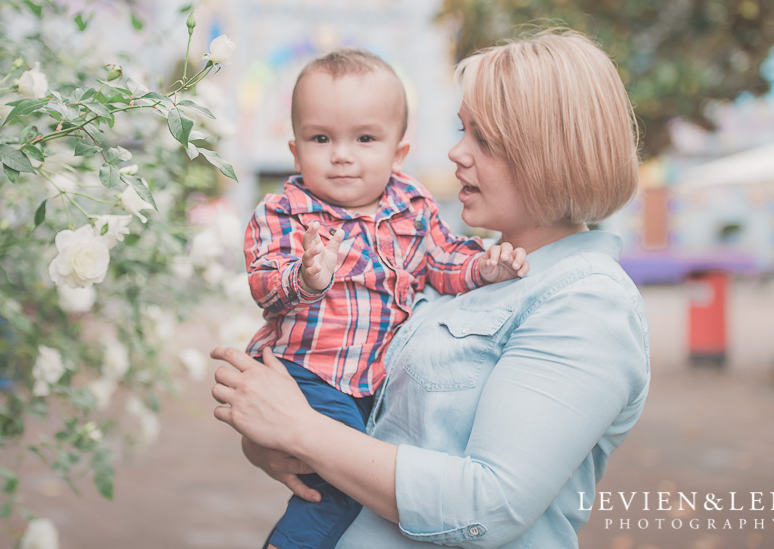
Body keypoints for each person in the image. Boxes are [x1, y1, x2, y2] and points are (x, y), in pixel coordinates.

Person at [212, 28, 650, 548]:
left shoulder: (586, 301)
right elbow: (375, 420)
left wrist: (301, 431)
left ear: (548, 152)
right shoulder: (457, 265)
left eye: (482, 139)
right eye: (461, 130)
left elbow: (489, 505)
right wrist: (275, 439)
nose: (455, 153)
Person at [242, 47, 529, 549]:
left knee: (350, 475)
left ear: (398, 153)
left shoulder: (411, 205)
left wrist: (483, 268)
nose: (342, 154)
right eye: (321, 138)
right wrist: (306, 277)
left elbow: (443, 260)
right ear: (295, 150)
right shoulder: (285, 211)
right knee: (337, 487)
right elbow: (264, 283)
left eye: (365, 138)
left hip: (370, 380)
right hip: (309, 370)